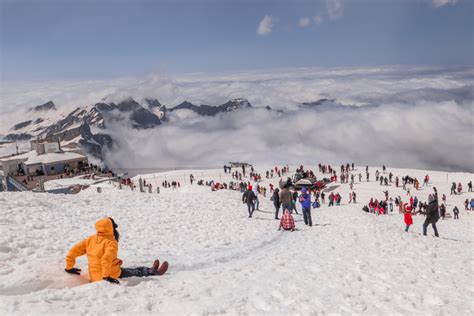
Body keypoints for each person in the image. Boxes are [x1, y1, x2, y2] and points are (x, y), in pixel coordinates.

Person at [65, 218, 168, 284]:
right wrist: (106, 277)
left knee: (129, 269)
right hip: (110, 274)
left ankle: (151, 269)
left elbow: (73, 251)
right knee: (135, 271)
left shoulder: (90, 240)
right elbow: (105, 259)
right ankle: (155, 273)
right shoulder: (111, 242)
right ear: (110, 228)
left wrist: (69, 267)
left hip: (95, 275)